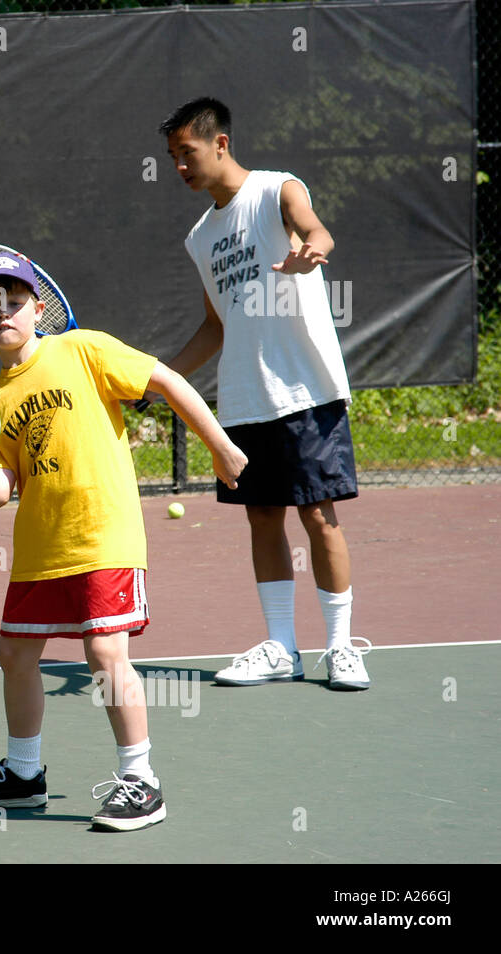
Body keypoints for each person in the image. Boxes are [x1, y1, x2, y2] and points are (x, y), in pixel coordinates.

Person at [0, 253, 246, 831]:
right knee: (15, 654)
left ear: (40, 308)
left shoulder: (85, 350)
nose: (1, 312)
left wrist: (219, 445)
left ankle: (142, 782)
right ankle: (24, 776)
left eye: (14, 301)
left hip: (104, 534)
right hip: (39, 551)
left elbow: (167, 380)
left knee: (105, 654)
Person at [158, 97, 370, 690]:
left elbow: (314, 227)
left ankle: (341, 647)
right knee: (261, 518)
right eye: (172, 157)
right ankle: (281, 647)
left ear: (219, 144)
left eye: (187, 153)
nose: (179, 166)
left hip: (305, 389)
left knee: (319, 517)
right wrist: (162, 378)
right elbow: (215, 325)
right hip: (245, 399)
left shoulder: (277, 189)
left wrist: (315, 250)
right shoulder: (200, 238)